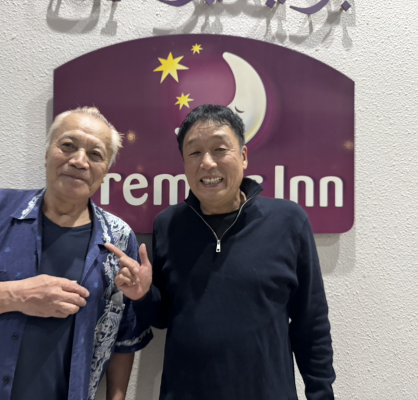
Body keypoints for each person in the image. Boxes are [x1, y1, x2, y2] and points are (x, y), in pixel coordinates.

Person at [0, 107, 152, 400]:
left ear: (105, 172)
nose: (79, 161)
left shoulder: (118, 238)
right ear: (47, 153)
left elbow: (124, 337)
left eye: (95, 154)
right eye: (68, 145)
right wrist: (17, 295)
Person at [106, 104, 335, 400]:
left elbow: (311, 323)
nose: (207, 163)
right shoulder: (168, 225)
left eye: (219, 149)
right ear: (184, 162)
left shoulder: (289, 221)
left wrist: (321, 393)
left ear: (243, 156)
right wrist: (142, 295)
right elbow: (163, 317)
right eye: (195, 152)